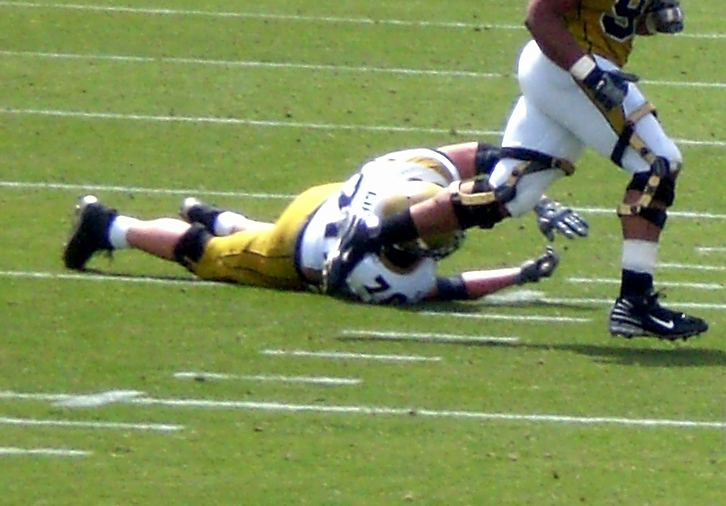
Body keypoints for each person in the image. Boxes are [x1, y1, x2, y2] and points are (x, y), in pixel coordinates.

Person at [330, 0, 705, 339]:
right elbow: (541, 17)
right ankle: (634, 303)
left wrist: (648, 19)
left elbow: (604, 8)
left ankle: (370, 236)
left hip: (574, 69)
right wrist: (590, 75)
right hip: (567, 69)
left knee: (510, 194)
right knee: (659, 165)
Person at [60, 144, 571, 304]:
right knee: (208, 256)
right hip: (293, 251)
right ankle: (108, 226)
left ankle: (216, 216)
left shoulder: (401, 180)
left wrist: (514, 171)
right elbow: (448, 289)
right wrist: (516, 274)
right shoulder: (393, 278)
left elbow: (463, 157)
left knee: (251, 234)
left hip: (326, 202)